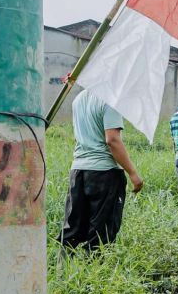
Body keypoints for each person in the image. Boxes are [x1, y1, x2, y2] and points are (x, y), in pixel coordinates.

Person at [60, 88, 143, 251]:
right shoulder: (110, 100)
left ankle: (62, 270)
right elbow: (112, 140)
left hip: (78, 170)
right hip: (104, 172)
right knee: (102, 232)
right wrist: (133, 173)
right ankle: (95, 270)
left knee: (72, 227)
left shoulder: (78, 99)